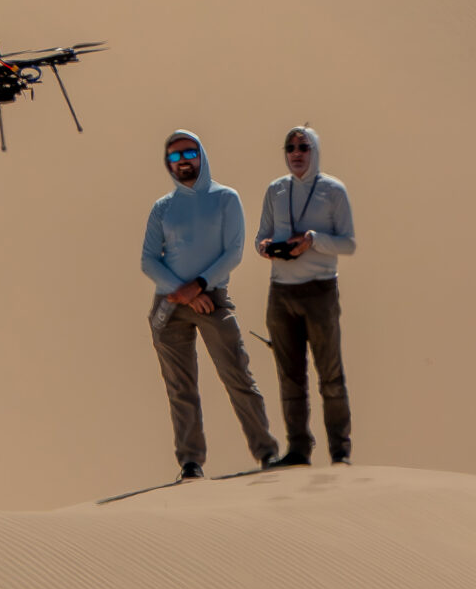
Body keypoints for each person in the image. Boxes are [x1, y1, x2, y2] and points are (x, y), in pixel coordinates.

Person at [141, 130, 282, 481]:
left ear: (201, 155)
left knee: (237, 375)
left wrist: (200, 285)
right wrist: (184, 291)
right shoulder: (163, 207)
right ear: (168, 163)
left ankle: (267, 451)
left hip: (212, 299)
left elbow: (233, 252)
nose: (183, 161)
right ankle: (191, 463)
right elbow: (149, 260)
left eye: (189, 153)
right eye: (175, 156)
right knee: (180, 387)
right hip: (169, 303)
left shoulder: (225, 198)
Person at [255, 126, 357, 465]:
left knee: (330, 375)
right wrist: (266, 247)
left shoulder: (333, 190)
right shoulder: (275, 190)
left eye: (304, 147)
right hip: (280, 293)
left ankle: (340, 451)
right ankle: (298, 449)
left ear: (315, 151)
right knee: (290, 376)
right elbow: (261, 236)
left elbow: (348, 243)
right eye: (290, 147)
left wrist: (313, 240)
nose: (296, 154)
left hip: (320, 291)